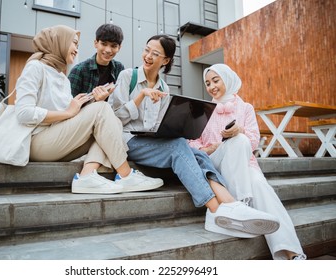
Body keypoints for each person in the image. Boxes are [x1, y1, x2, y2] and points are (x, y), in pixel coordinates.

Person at [108, 34, 280, 238]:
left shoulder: (164, 88)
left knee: (196, 153)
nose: (148, 56)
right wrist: (140, 96)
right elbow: (113, 118)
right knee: (179, 147)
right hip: (130, 142)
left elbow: (158, 123)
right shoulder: (128, 77)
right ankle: (216, 210)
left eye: (155, 53)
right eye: (147, 50)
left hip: (153, 141)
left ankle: (232, 204)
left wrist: (174, 126)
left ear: (166, 60)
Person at [14, 25, 163, 195]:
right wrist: (71, 111)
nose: (77, 49)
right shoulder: (35, 67)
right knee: (102, 109)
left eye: (77, 45)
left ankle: (86, 176)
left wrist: (88, 101)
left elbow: (72, 114)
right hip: (36, 141)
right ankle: (126, 174)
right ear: (59, 43)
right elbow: (23, 114)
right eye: (74, 44)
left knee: (112, 121)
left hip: (56, 139)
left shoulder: (61, 76)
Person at [188, 63, 307, 260]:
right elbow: (191, 142)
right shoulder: (202, 110)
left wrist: (239, 131)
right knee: (239, 141)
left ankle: (293, 254)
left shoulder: (246, 108)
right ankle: (242, 206)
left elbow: (252, 141)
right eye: (208, 83)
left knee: (259, 183)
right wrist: (209, 148)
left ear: (228, 79)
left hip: (245, 163)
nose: (211, 87)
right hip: (214, 164)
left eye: (216, 80)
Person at [68, 23, 124, 102]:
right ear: (96, 43)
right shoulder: (79, 70)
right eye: (104, 44)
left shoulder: (120, 68)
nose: (108, 50)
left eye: (113, 46)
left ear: (119, 48)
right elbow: (69, 105)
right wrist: (95, 101)